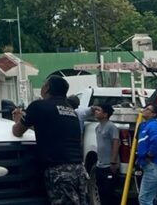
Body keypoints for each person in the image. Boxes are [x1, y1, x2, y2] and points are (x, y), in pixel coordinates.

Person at [12, 76, 87, 205]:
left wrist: (18, 119)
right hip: (79, 170)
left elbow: (17, 131)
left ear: (47, 88)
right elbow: (51, 130)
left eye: (43, 84)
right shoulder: (70, 110)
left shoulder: (38, 106)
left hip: (59, 171)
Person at [135, 104, 157, 205]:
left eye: (147, 109)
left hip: (154, 166)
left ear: (154, 114)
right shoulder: (148, 125)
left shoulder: (153, 125)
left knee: (144, 199)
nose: (144, 110)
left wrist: (149, 155)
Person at [91, 105, 120, 205]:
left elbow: (116, 143)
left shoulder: (111, 127)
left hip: (109, 165)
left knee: (109, 193)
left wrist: (113, 161)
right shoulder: (97, 127)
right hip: (100, 165)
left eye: (98, 110)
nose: (95, 111)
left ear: (105, 114)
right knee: (101, 192)